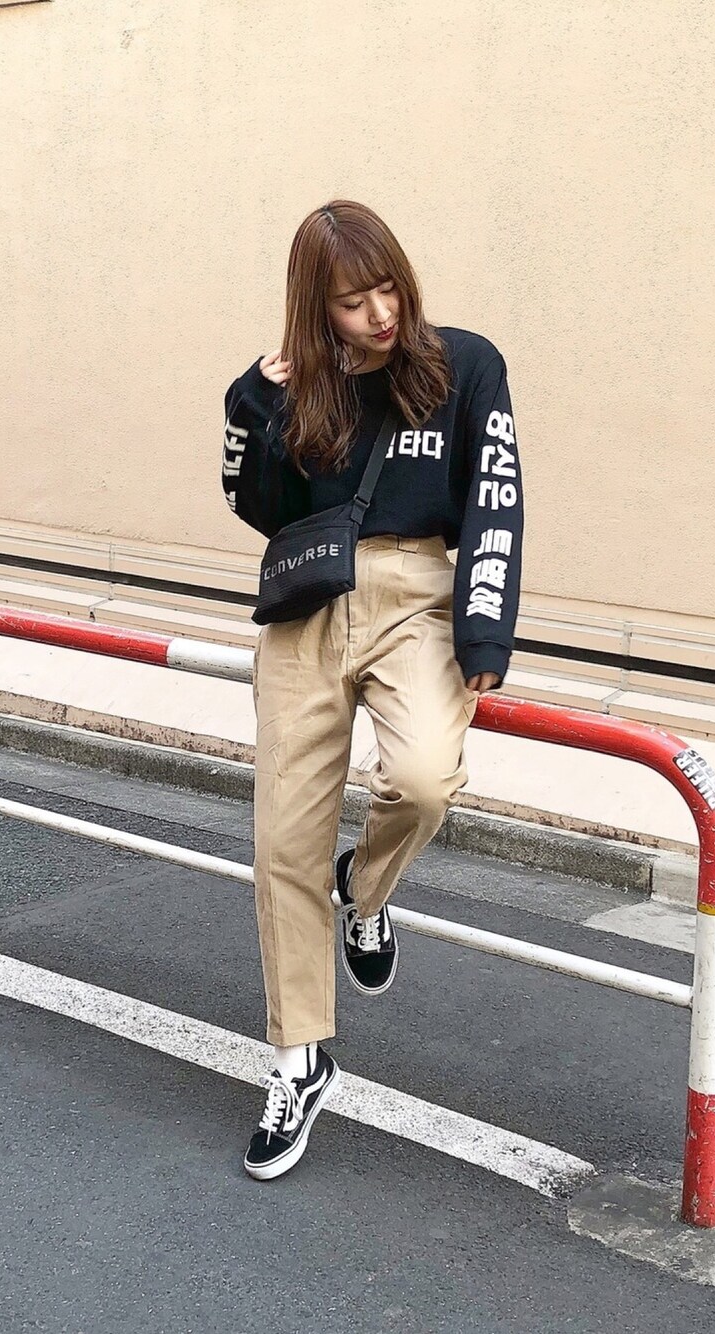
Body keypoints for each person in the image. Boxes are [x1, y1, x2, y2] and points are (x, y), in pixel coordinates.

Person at [221, 200, 524, 1181]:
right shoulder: (288, 388)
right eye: (353, 302)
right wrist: (257, 408)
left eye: (387, 288)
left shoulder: (464, 365)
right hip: (308, 603)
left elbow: (497, 499)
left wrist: (484, 625)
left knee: (426, 778)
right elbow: (259, 508)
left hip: (418, 597)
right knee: (283, 844)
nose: (379, 314)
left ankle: (365, 888)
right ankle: (300, 1056)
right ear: (318, 307)